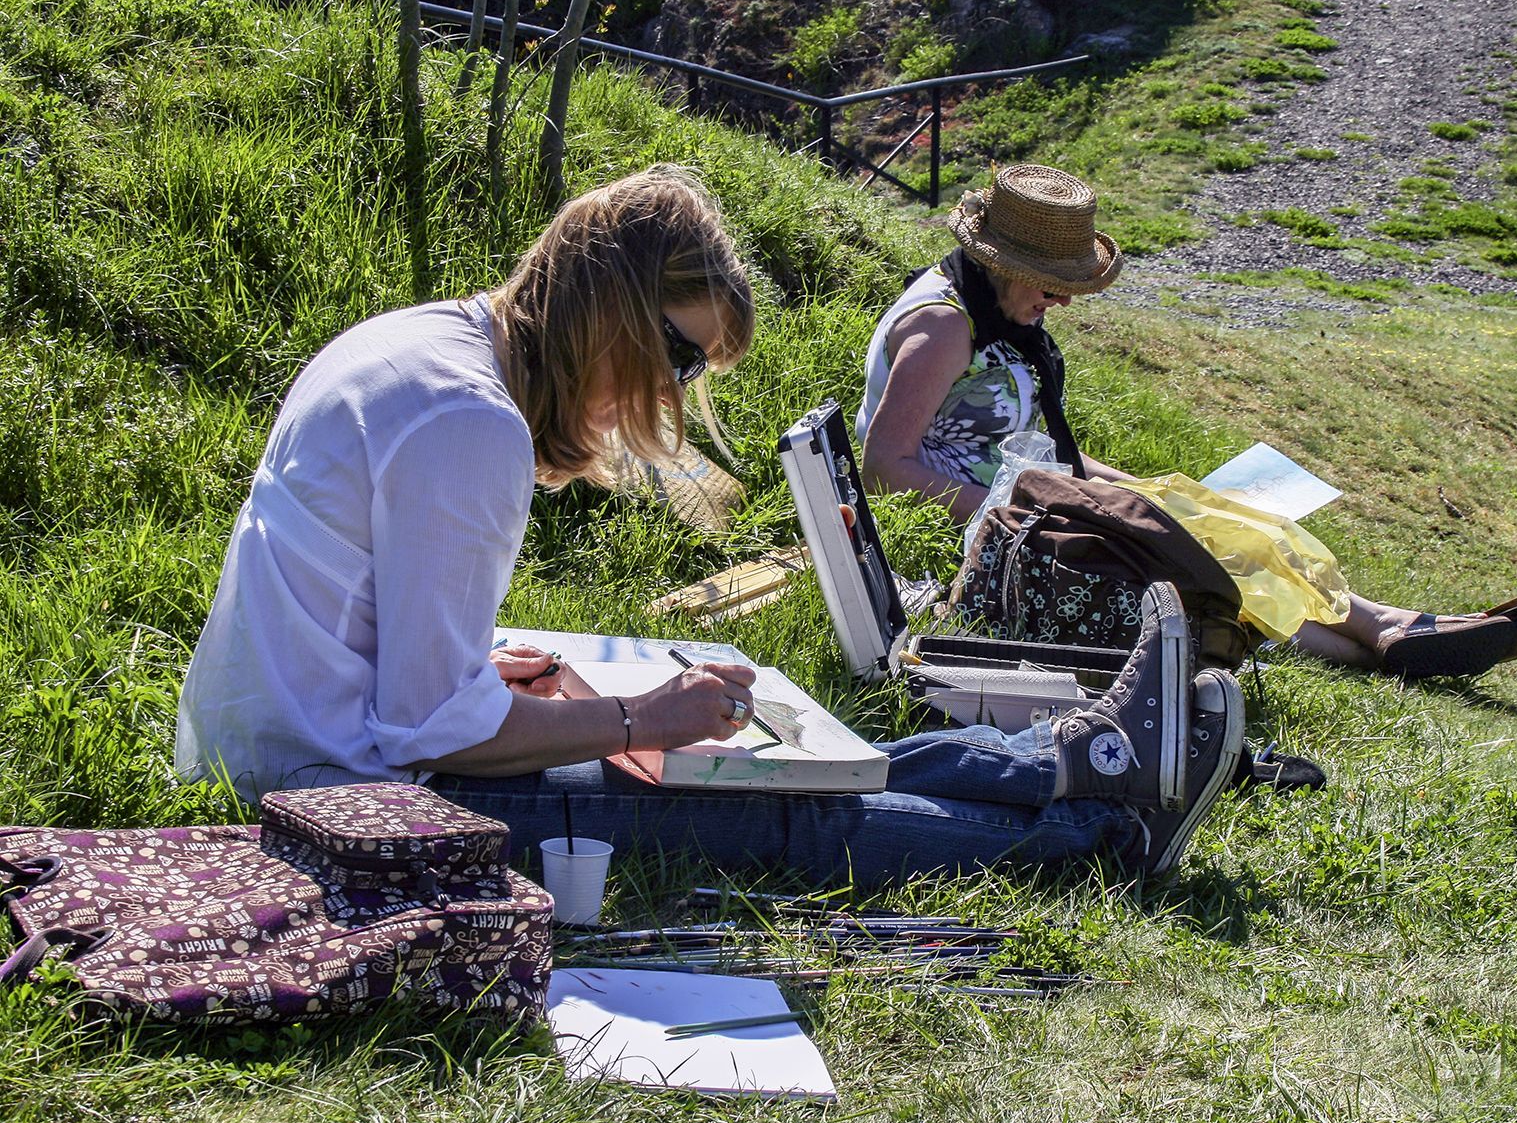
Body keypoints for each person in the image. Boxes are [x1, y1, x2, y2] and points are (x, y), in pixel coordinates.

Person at [176, 163, 1245, 889]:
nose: (677, 394)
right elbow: (435, 733)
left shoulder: (427, 348)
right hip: (339, 801)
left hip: (306, 747)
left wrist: (478, 671)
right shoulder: (469, 425)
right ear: (611, 307)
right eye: (681, 356)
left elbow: (394, 653)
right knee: (778, 810)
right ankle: (1100, 828)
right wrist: (646, 719)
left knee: (808, 764)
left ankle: (1072, 754)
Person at [856, 164, 1517, 680]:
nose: (1064, 301)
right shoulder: (945, 327)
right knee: (1186, 560)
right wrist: (1030, 509)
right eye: (1053, 282)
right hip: (998, 521)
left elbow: (1020, 445)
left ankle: (1389, 631)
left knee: (1211, 517)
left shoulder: (997, 313)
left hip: (1036, 492)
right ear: (1001, 264)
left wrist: (1138, 491)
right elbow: (885, 468)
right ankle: (1387, 643)